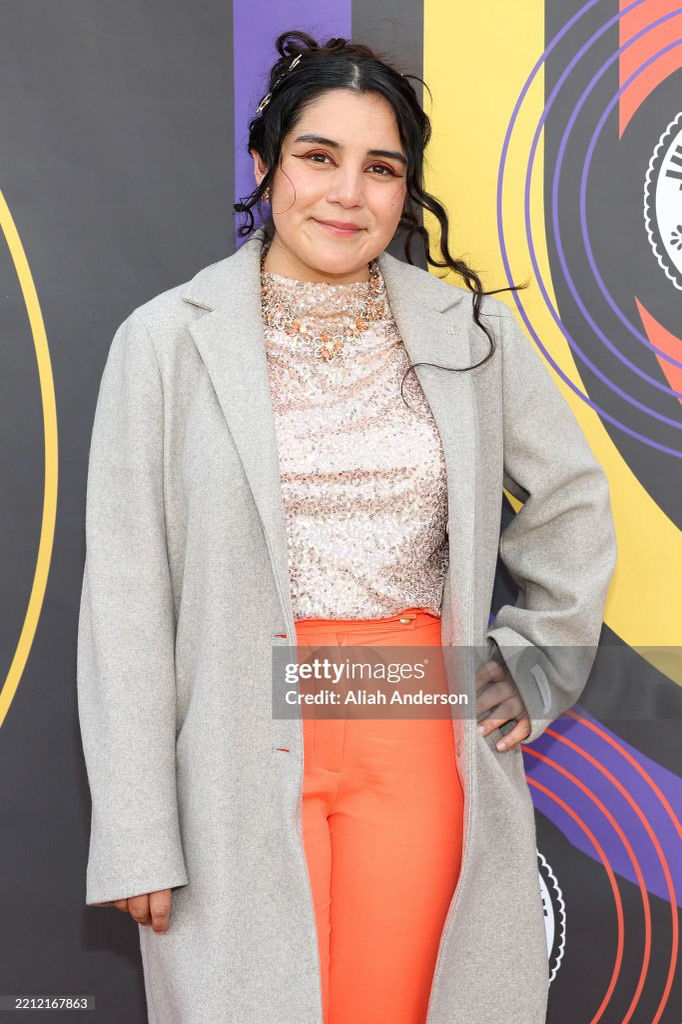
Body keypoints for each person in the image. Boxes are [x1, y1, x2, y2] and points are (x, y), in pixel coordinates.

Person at [77, 30, 618, 1024]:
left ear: (405, 191)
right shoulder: (164, 343)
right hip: (229, 741)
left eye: (380, 168)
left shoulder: (468, 337)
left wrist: (536, 662)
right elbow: (124, 598)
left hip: (412, 725)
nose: (346, 194)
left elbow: (572, 503)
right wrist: (137, 826)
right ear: (264, 164)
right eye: (318, 156)